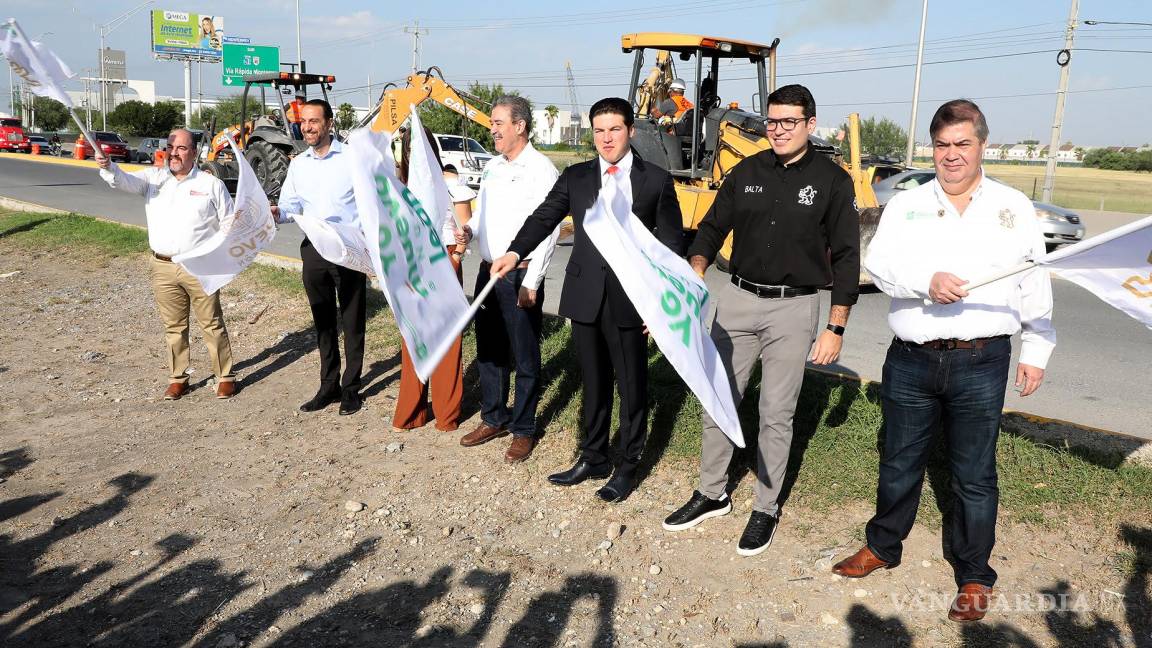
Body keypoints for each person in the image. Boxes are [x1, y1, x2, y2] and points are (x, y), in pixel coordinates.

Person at [831, 99, 1056, 623]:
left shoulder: (1013, 207)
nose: (952, 155)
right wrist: (924, 282)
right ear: (931, 148)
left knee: (974, 473)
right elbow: (880, 268)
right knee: (899, 460)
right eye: (942, 145)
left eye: (963, 144)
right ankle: (883, 546)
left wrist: (1036, 350)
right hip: (911, 359)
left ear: (982, 145)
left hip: (983, 360)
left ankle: (975, 573)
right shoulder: (907, 205)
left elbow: (1034, 282)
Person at [662, 84, 860, 555]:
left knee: (776, 413)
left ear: (810, 125)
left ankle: (765, 507)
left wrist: (835, 326)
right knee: (718, 397)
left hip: (794, 308)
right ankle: (712, 492)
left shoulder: (832, 181)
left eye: (789, 122)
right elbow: (710, 228)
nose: (778, 130)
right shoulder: (746, 170)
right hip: (736, 299)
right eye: (772, 121)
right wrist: (695, 271)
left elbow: (849, 257)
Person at [488, 97, 683, 502]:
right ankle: (593, 456)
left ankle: (627, 465)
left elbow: (671, 246)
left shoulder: (656, 181)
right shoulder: (577, 177)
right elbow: (544, 217)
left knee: (632, 387)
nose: (606, 138)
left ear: (630, 131)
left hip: (632, 299)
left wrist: (662, 301)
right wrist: (514, 250)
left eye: (614, 129)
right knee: (593, 384)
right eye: (599, 130)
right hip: (585, 295)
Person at [456, 95, 560, 463]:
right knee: (489, 349)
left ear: (520, 126)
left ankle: (524, 429)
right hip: (489, 272)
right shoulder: (494, 167)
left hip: (519, 275)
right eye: (492, 123)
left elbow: (549, 230)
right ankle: (494, 417)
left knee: (525, 354)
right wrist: (469, 230)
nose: (493, 129)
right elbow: (483, 211)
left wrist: (533, 280)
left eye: (499, 122)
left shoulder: (541, 169)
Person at [97, 129, 238, 401]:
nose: (174, 152)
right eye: (171, 146)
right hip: (162, 266)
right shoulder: (154, 179)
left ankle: (225, 376)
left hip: (200, 267)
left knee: (211, 323)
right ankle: (178, 378)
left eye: (181, 148)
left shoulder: (211, 185)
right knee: (174, 326)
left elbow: (228, 223)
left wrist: (217, 257)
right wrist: (109, 166)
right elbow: (122, 181)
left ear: (194, 153)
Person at [273, 99, 367, 416]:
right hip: (314, 249)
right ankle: (329, 385)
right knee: (323, 321)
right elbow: (290, 207)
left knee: (353, 320)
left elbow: (372, 202)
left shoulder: (354, 158)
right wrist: (275, 212)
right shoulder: (299, 164)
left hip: (349, 248)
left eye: (314, 121)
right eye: (303, 121)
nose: (307, 126)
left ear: (329, 122)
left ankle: (351, 388)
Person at [391, 130, 473, 433]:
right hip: (412, 266)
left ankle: (446, 413)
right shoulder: (401, 188)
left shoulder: (451, 184)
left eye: (419, 147)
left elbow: (465, 228)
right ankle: (411, 412)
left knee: (448, 339)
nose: (413, 154)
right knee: (413, 337)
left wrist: (455, 258)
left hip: (445, 262)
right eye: (408, 148)